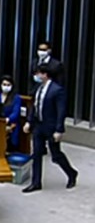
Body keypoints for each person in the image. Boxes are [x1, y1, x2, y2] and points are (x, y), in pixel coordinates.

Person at [22, 64, 78, 193]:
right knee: (36, 154)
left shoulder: (57, 90)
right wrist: (29, 122)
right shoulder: (38, 88)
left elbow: (61, 111)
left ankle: (71, 173)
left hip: (51, 127)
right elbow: (34, 106)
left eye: (38, 74)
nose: (36, 76)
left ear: (45, 75)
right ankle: (36, 183)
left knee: (56, 155)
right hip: (38, 125)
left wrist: (59, 130)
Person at [0, 75, 22, 152]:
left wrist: (7, 120)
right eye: (4, 84)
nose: (6, 87)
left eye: (8, 85)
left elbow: (16, 113)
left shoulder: (16, 98)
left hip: (10, 124)